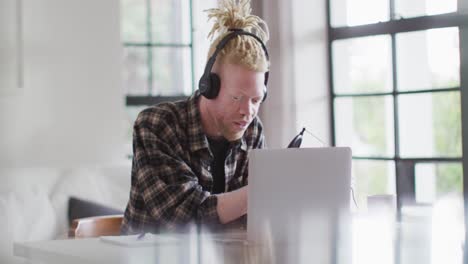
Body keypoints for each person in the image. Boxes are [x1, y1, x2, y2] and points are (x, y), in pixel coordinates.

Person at [121, 0, 270, 234]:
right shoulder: (156, 126)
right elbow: (183, 218)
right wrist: (262, 192)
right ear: (208, 86)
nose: (247, 111)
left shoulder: (253, 130)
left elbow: (257, 219)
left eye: (255, 100)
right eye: (237, 98)